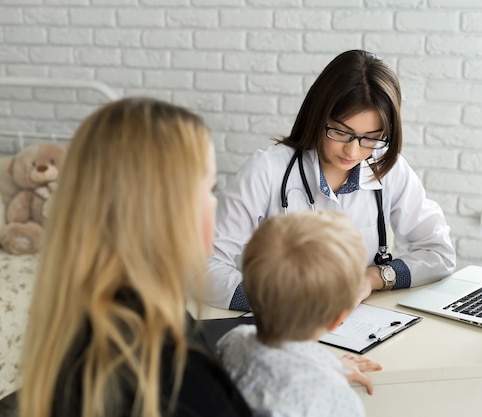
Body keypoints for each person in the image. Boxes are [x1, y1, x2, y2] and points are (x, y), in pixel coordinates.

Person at [18, 97, 258, 417]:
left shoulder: (73, 326)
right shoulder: (176, 376)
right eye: (208, 189)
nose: (214, 204)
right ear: (162, 208)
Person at [208, 49, 456, 311]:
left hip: (360, 324)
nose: (353, 151)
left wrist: (373, 278)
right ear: (318, 116)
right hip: (282, 328)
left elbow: (439, 254)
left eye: (370, 137)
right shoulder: (267, 170)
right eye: (340, 132)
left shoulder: (388, 168)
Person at [217, 210, 382, 417]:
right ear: (336, 320)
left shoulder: (233, 342)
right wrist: (328, 378)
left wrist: (329, 368)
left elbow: (280, 369)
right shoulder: (336, 397)